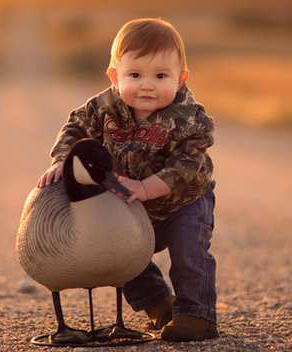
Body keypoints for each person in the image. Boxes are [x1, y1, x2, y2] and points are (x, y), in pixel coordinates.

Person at [37, 17, 217, 341]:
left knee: (189, 255)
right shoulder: (103, 107)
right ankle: (159, 304)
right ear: (114, 76)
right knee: (122, 255)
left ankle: (196, 313)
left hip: (183, 203)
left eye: (161, 76)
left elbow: (189, 164)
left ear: (181, 79)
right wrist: (63, 160)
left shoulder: (189, 116)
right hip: (130, 201)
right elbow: (75, 130)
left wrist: (148, 187)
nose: (147, 85)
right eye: (135, 75)